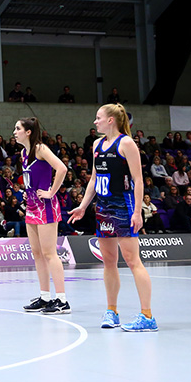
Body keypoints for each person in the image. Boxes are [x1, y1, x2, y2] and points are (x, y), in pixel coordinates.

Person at [70, 104, 156, 332]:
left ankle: (147, 315)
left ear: (111, 121)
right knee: (108, 261)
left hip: (123, 206)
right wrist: (83, 206)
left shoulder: (126, 143)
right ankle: (112, 311)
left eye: (98, 118)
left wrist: (137, 212)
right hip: (103, 208)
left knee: (132, 260)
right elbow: (93, 180)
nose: (95, 121)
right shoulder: (97, 145)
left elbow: (138, 180)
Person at [14, 118, 71, 314]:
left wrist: (51, 192)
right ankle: (45, 297)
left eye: (18, 128)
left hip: (45, 206)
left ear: (28, 132)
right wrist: (26, 191)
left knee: (49, 253)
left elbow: (62, 168)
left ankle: (62, 300)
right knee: (37, 253)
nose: (14, 132)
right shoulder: (23, 153)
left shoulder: (40, 148)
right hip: (31, 206)